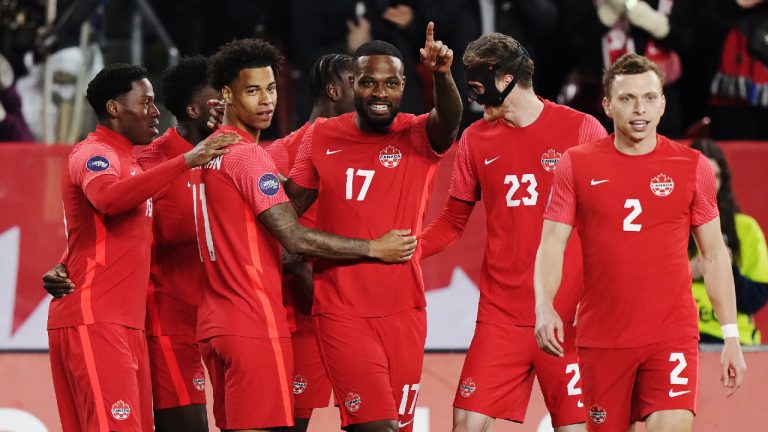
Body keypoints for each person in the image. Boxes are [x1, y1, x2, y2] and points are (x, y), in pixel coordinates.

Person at [196, 38, 416, 432]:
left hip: (225, 319)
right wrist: (375, 248)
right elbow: (292, 239)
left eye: (272, 88)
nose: (266, 101)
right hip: (267, 319)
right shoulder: (258, 155)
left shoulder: (213, 151)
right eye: (253, 91)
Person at [534, 53, 747, 432]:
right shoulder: (576, 163)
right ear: (606, 105)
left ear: (663, 103)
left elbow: (714, 255)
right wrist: (544, 306)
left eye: (650, 98)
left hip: (672, 334)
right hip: (603, 338)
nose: (639, 109)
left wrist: (730, 334)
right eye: (627, 98)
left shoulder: (691, 165)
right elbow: (552, 243)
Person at [419, 33, 607, 432]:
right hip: (501, 318)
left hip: (567, 319)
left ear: (504, 79)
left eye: (476, 87)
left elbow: (608, 220)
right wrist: (406, 250)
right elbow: (452, 222)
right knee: (466, 424)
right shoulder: (474, 140)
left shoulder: (582, 130)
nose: (473, 97)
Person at [286, 22, 462, 432]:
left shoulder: (418, 135)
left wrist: (441, 75)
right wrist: (368, 248)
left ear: (403, 85)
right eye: (368, 83)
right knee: (375, 427)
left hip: (406, 312)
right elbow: (288, 220)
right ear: (352, 84)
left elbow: (449, 121)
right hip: (341, 311)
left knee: (397, 426)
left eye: (390, 84)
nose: (379, 94)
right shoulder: (321, 137)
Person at [47, 63, 234, 432]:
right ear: (114, 108)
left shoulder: (132, 160)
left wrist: (64, 261)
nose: (154, 112)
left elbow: (94, 234)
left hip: (124, 322)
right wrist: (186, 161)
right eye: (145, 103)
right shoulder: (94, 154)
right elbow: (107, 199)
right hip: (96, 317)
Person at [262, 53, 356, 432]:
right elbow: (276, 247)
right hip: (302, 322)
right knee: (290, 427)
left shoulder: (369, 153)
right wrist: (318, 289)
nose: (370, 91)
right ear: (334, 90)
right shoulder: (279, 155)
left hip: (358, 318)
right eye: (359, 82)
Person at [689, 138, 768, 345]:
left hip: (733, 339)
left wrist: (725, 267)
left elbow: (754, 300)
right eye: (702, 175)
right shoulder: (671, 225)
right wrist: (689, 270)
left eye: (715, 176)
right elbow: (648, 297)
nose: (710, 183)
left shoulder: (745, 228)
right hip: (683, 336)